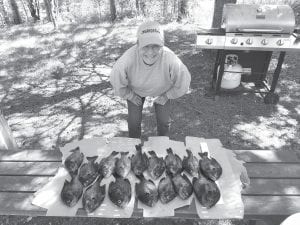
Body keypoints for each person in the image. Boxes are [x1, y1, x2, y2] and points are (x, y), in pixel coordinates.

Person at [110, 20, 191, 138]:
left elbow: (184, 80)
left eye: (155, 46)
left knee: (164, 122)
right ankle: (134, 148)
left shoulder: (170, 59)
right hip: (136, 91)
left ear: (162, 44)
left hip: (162, 90)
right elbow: (116, 80)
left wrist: (168, 95)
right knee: (134, 122)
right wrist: (130, 95)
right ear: (138, 44)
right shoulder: (126, 60)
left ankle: (163, 146)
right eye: (145, 46)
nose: (150, 52)